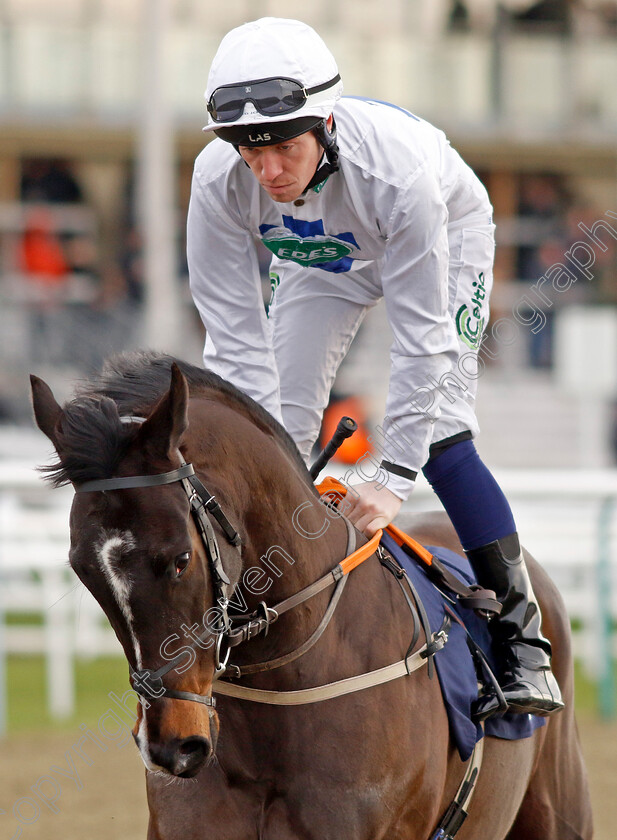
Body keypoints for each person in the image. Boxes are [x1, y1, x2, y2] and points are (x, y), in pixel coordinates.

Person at [186, 17, 563, 720]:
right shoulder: (215, 179)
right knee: (271, 428)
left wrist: (391, 481)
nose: (266, 171)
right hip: (325, 256)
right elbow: (234, 346)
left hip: (438, 235)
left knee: (443, 426)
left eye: (283, 148)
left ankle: (523, 641)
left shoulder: (398, 173)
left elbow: (422, 344)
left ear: (324, 123)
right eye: (248, 151)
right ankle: (265, 614)